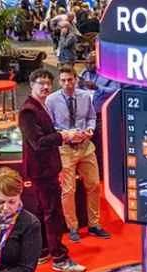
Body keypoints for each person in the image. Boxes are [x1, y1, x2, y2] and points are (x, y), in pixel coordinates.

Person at [18, 68, 85, 272]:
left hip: (45, 168)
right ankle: (60, 258)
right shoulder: (28, 110)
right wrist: (64, 136)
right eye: (41, 83)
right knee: (52, 212)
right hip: (42, 170)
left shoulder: (41, 105)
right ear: (32, 85)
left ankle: (43, 250)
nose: (46, 87)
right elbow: (38, 142)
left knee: (42, 210)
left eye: (48, 83)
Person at [46, 66, 110, 242]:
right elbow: (50, 126)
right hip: (65, 149)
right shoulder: (51, 100)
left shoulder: (85, 96)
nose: (67, 83)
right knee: (68, 190)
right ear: (59, 82)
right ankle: (72, 227)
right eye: (63, 80)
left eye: (70, 80)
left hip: (86, 147)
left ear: (75, 80)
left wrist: (90, 129)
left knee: (94, 185)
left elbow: (91, 117)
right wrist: (66, 134)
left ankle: (94, 225)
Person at [78, 51, 118, 172]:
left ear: (99, 63)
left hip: (101, 115)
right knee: (84, 144)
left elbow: (115, 90)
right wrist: (78, 85)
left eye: (91, 63)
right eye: (87, 62)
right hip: (85, 114)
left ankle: (102, 170)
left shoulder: (109, 74)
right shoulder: (84, 74)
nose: (88, 65)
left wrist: (98, 88)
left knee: (100, 144)